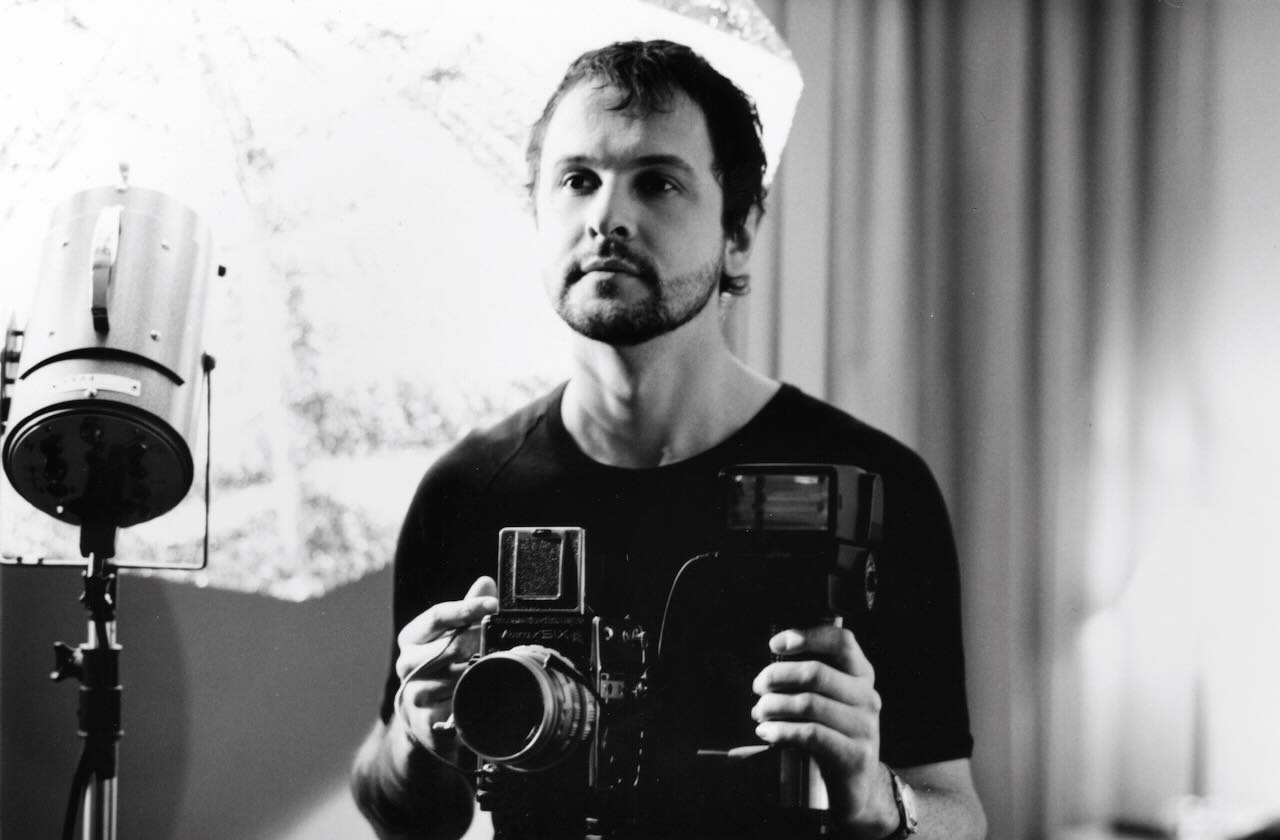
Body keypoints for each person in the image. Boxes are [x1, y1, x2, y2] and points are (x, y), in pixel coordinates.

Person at [351, 39, 986, 840]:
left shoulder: (871, 483)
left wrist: (876, 799)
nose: (606, 218)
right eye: (577, 180)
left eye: (656, 181)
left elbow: (957, 811)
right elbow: (401, 810)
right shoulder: (466, 489)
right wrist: (413, 740)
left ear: (739, 232)